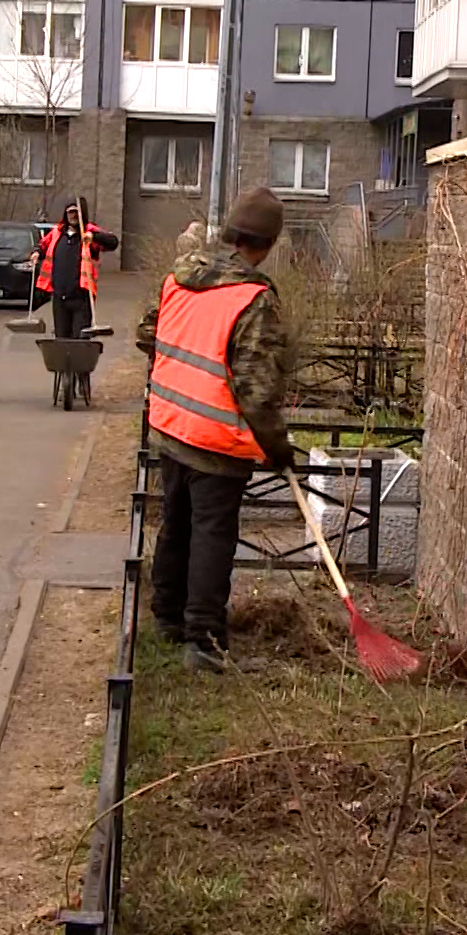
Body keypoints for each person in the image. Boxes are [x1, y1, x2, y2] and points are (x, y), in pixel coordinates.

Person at [136, 188, 294, 673]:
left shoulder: (181, 276)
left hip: (170, 425)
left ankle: (166, 617)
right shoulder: (253, 298)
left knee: (176, 523)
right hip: (216, 440)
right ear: (265, 244)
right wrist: (277, 447)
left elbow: (148, 333)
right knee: (212, 535)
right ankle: (202, 639)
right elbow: (258, 389)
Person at [33, 198, 120, 341]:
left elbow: (113, 242)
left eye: (76, 212)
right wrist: (37, 252)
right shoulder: (57, 233)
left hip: (81, 298)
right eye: (70, 212)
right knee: (61, 340)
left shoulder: (89, 233)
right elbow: (43, 245)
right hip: (59, 297)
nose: (73, 216)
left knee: (79, 340)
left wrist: (94, 237)